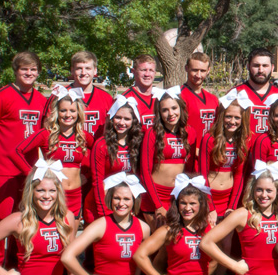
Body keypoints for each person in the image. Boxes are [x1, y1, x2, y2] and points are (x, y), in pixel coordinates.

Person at [0, 52, 49, 275]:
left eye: (33, 70)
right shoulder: (0, 97)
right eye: (24, 70)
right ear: (15, 71)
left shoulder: (42, 100)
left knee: (25, 226)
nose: (29, 74)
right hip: (5, 173)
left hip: (30, 173)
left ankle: (15, 271)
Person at [60, 173, 156, 275]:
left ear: (134, 201)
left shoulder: (144, 228)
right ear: (110, 200)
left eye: (126, 199)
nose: (121, 203)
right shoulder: (100, 225)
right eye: (116, 198)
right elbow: (67, 256)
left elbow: (141, 261)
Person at [132, 175, 223, 275]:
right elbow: (140, 255)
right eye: (183, 203)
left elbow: (216, 259)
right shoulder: (169, 230)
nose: (187, 208)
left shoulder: (208, 230)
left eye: (193, 203)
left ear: (201, 205)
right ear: (177, 204)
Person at [14, 86, 94, 218]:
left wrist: (88, 173)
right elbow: (17, 151)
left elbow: (101, 154)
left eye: (72, 111)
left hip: (76, 193)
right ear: (57, 112)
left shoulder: (83, 136)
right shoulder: (46, 134)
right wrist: (33, 175)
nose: (68, 115)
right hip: (53, 194)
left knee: (71, 238)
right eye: (63, 110)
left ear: (78, 113)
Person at [139, 90, 198, 227]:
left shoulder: (190, 132)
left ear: (181, 108)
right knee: (159, 243)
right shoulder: (152, 133)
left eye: (174, 108)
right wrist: (158, 205)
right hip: (155, 196)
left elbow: (189, 170)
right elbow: (144, 172)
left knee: (174, 243)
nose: (171, 114)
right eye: (165, 110)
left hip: (177, 197)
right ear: (159, 113)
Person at [85, 96, 143, 223]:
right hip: (101, 205)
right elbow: (97, 181)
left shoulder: (138, 144)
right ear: (111, 118)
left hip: (125, 204)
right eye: (118, 117)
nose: (121, 123)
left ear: (134, 121)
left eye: (127, 119)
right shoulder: (101, 144)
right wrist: (104, 213)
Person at [197, 92, 253, 217]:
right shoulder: (209, 139)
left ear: (243, 119)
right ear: (222, 117)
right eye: (228, 117)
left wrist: (232, 206)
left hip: (228, 198)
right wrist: (210, 207)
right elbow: (202, 175)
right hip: (209, 198)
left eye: (237, 118)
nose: (232, 121)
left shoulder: (244, 140)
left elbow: (239, 175)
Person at [231, 48, 278, 141]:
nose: (261, 70)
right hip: (242, 153)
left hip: (270, 153)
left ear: (272, 67)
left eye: (265, 65)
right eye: (256, 65)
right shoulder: (235, 94)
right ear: (248, 66)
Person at [66, 51, 115, 138]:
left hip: (97, 149)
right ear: (72, 70)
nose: (83, 73)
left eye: (88, 68)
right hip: (70, 149)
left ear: (95, 71)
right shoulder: (61, 95)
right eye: (79, 68)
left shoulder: (106, 98)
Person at [177, 52, 220, 135]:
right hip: (190, 146)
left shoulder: (213, 99)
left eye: (202, 71)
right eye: (195, 70)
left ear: (208, 71)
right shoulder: (179, 96)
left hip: (210, 146)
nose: (198, 75)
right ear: (186, 68)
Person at [122, 54, 159, 129]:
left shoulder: (161, 96)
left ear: (155, 73)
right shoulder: (125, 99)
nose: (147, 74)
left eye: (151, 70)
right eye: (143, 70)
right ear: (133, 71)